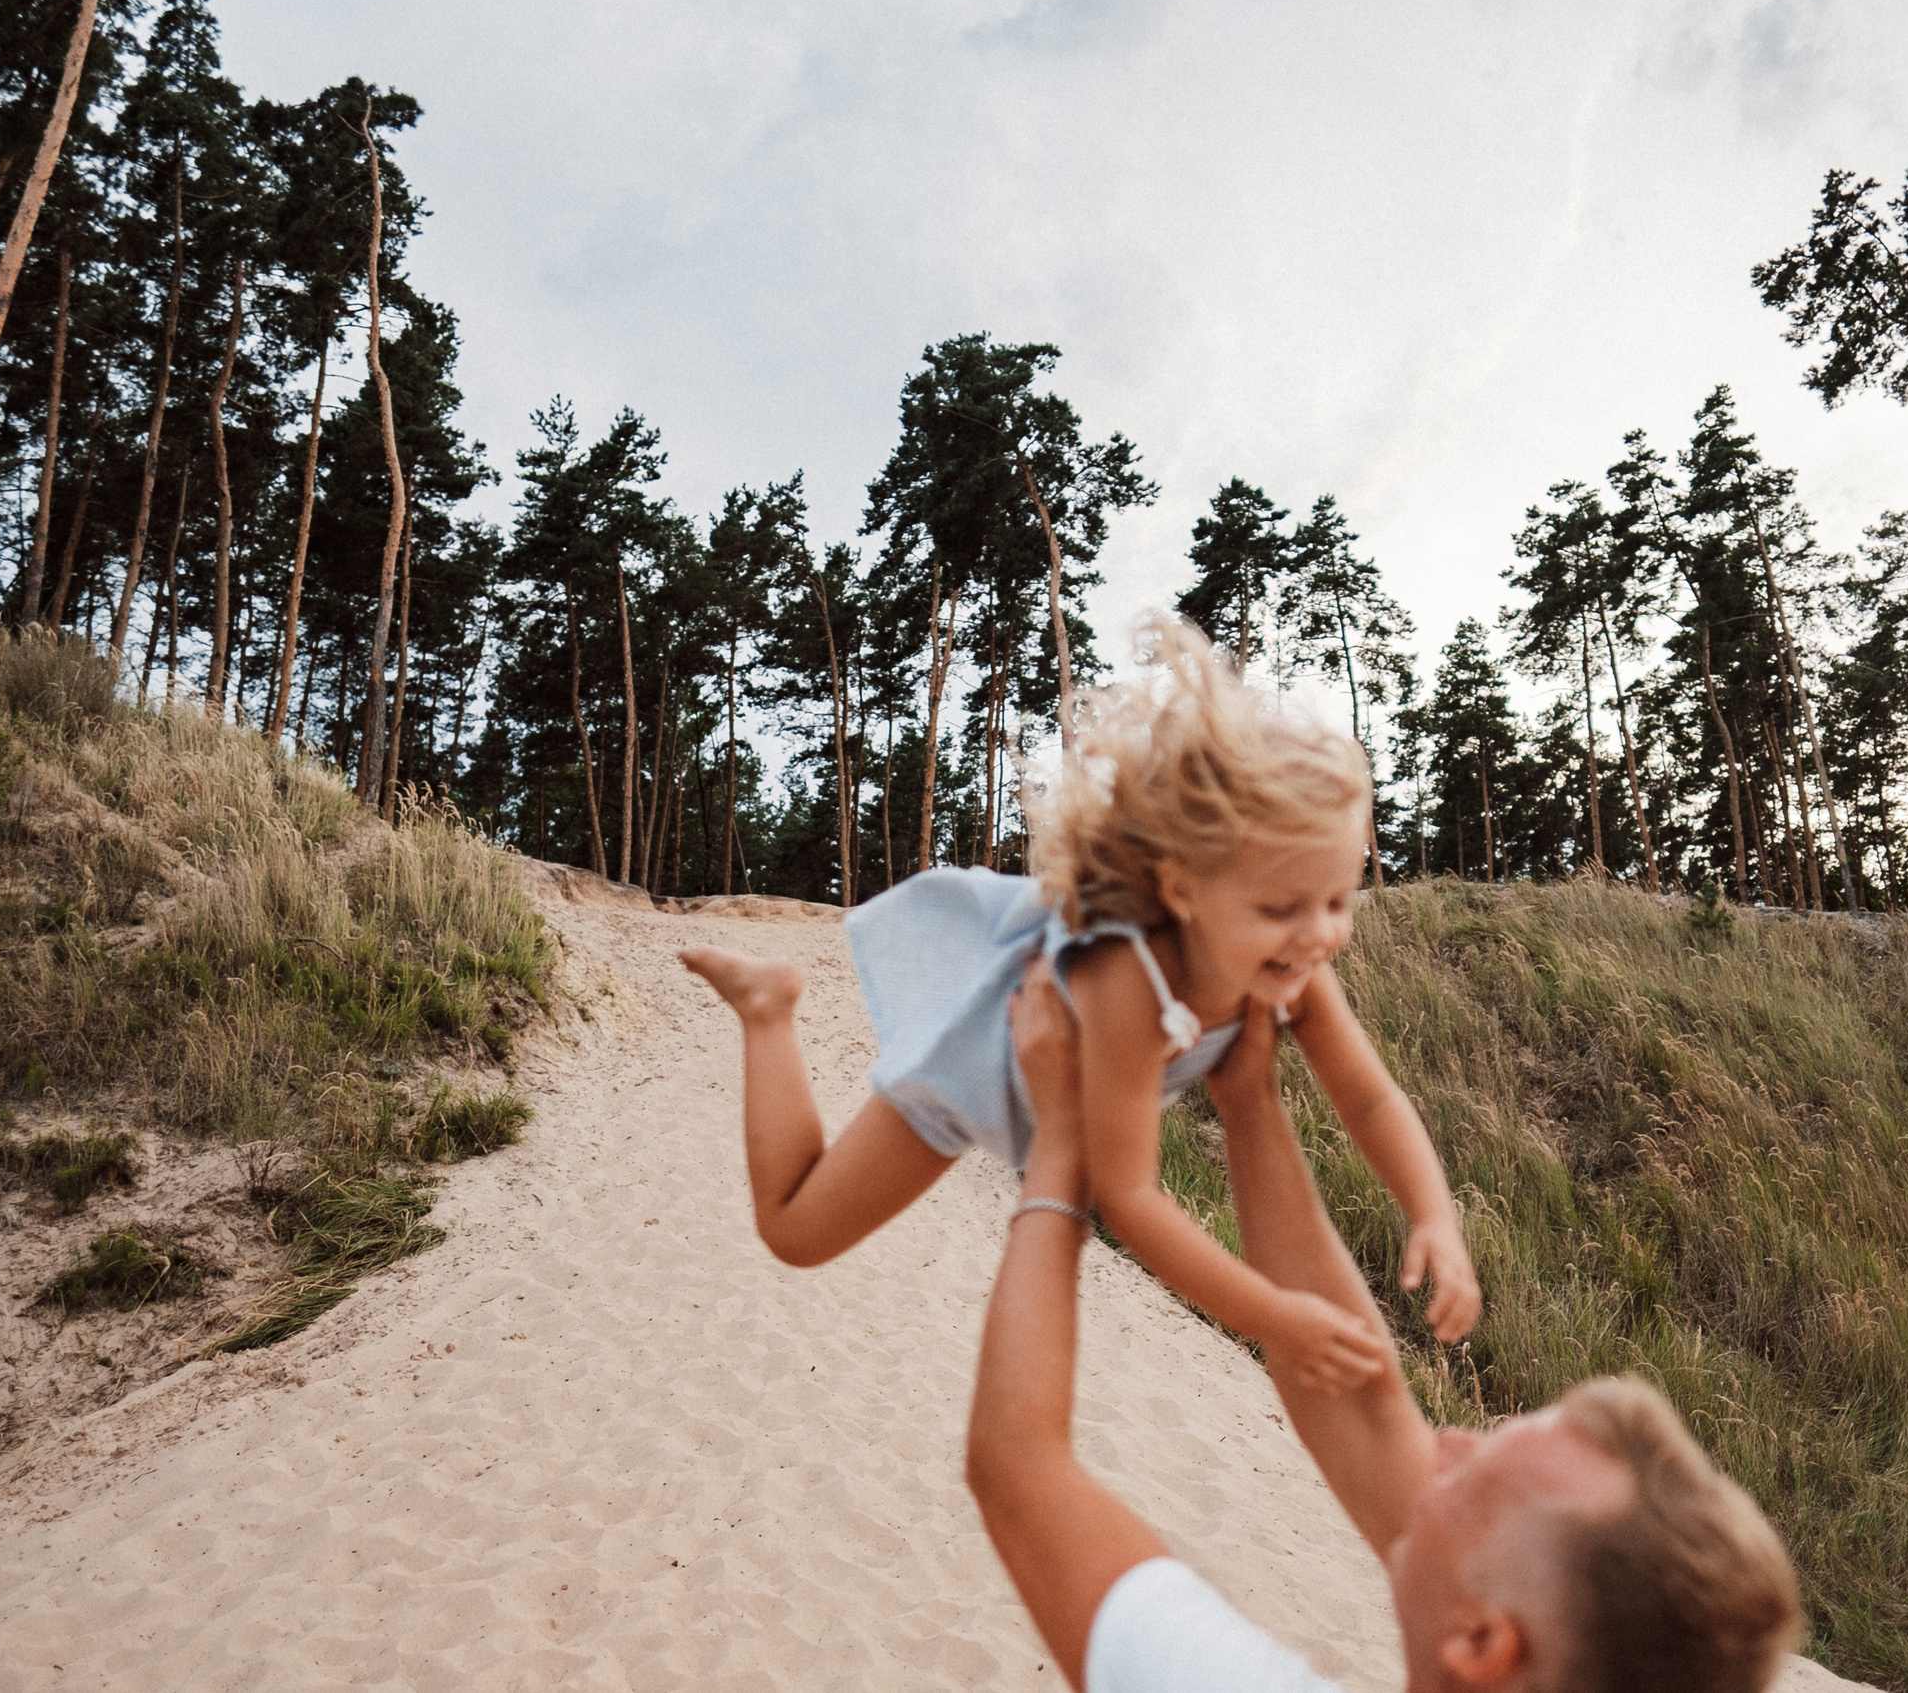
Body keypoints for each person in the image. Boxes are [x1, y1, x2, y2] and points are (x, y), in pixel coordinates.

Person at [680, 620, 1480, 1389]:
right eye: (1282, 908)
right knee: (795, 1231)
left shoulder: (1296, 971)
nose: (1320, 934)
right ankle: (767, 1007)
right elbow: (1129, 1196)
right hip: (974, 1074)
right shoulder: (1129, 983)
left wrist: (1433, 1214)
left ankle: (765, 1004)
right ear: (1181, 889)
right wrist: (1272, 1315)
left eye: (1339, 899)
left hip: (1050, 1097)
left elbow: (1371, 1097)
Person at [967, 962, 1803, 1693]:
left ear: (1482, 1641)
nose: (1441, 1445)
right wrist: (1250, 1099)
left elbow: (1017, 1458)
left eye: (1472, 1483)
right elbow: (1364, 1407)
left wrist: (1061, 1148)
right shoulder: (1532, 1628)